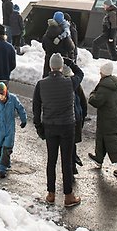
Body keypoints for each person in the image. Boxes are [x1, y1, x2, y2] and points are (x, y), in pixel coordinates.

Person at [34, 52, 81, 208]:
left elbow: (36, 108)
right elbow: (81, 73)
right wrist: (70, 62)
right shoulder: (70, 83)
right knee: (66, 161)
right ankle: (68, 196)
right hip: (67, 126)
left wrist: (39, 126)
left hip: (50, 126)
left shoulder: (41, 84)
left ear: (49, 67)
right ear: (61, 67)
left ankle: (51, 194)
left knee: (51, 160)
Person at [88, 61, 117, 178]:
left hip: (107, 118)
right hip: (114, 116)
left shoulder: (104, 87)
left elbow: (95, 101)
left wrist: (92, 93)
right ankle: (99, 159)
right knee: (101, 137)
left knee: (113, 141)